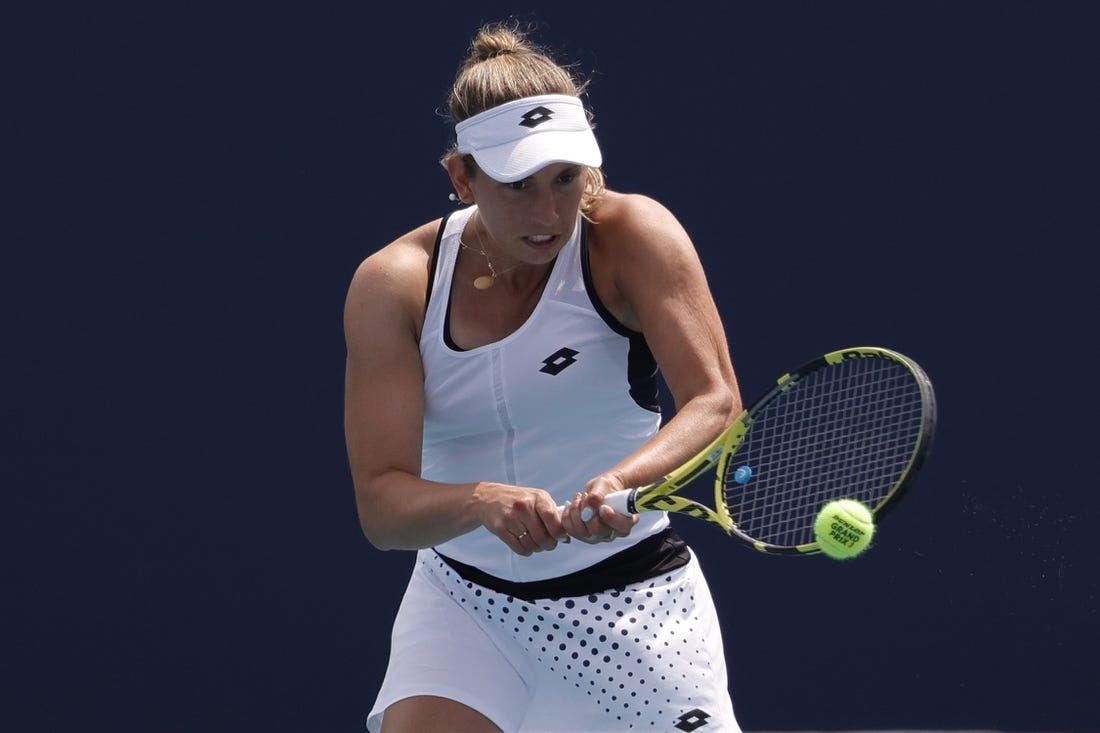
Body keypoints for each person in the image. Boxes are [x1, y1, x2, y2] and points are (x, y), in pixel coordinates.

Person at [343, 19, 744, 733]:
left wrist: (623, 479)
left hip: (633, 603)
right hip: (468, 605)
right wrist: (480, 501)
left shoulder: (632, 238)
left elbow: (714, 400)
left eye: (567, 178)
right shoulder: (395, 285)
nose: (550, 212)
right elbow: (381, 506)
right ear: (461, 176)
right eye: (519, 185)